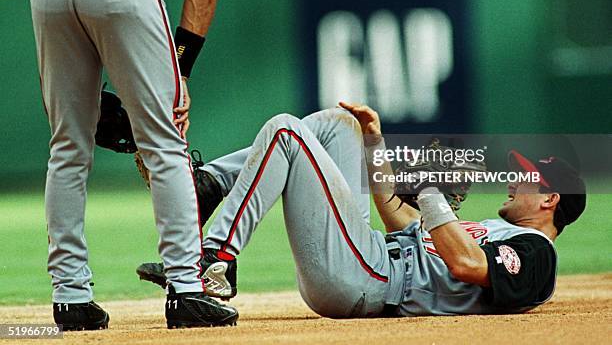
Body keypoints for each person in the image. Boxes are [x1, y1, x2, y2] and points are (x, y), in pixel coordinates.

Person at [30, 0, 247, 330]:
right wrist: (182, 65)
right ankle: (188, 290)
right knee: (164, 141)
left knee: (67, 146)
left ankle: (70, 298)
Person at [137, 103, 586, 318]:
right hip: (370, 254)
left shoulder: (536, 254)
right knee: (340, 124)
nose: (513, 179)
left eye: (527, 177)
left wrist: (430, 191)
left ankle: (214, 259)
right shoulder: (491, 227)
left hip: (371, 281)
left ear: (550, 200)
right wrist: (375, 142)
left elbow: (468, 265)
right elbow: (396, 215)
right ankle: (210, 185)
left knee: (285, 132)